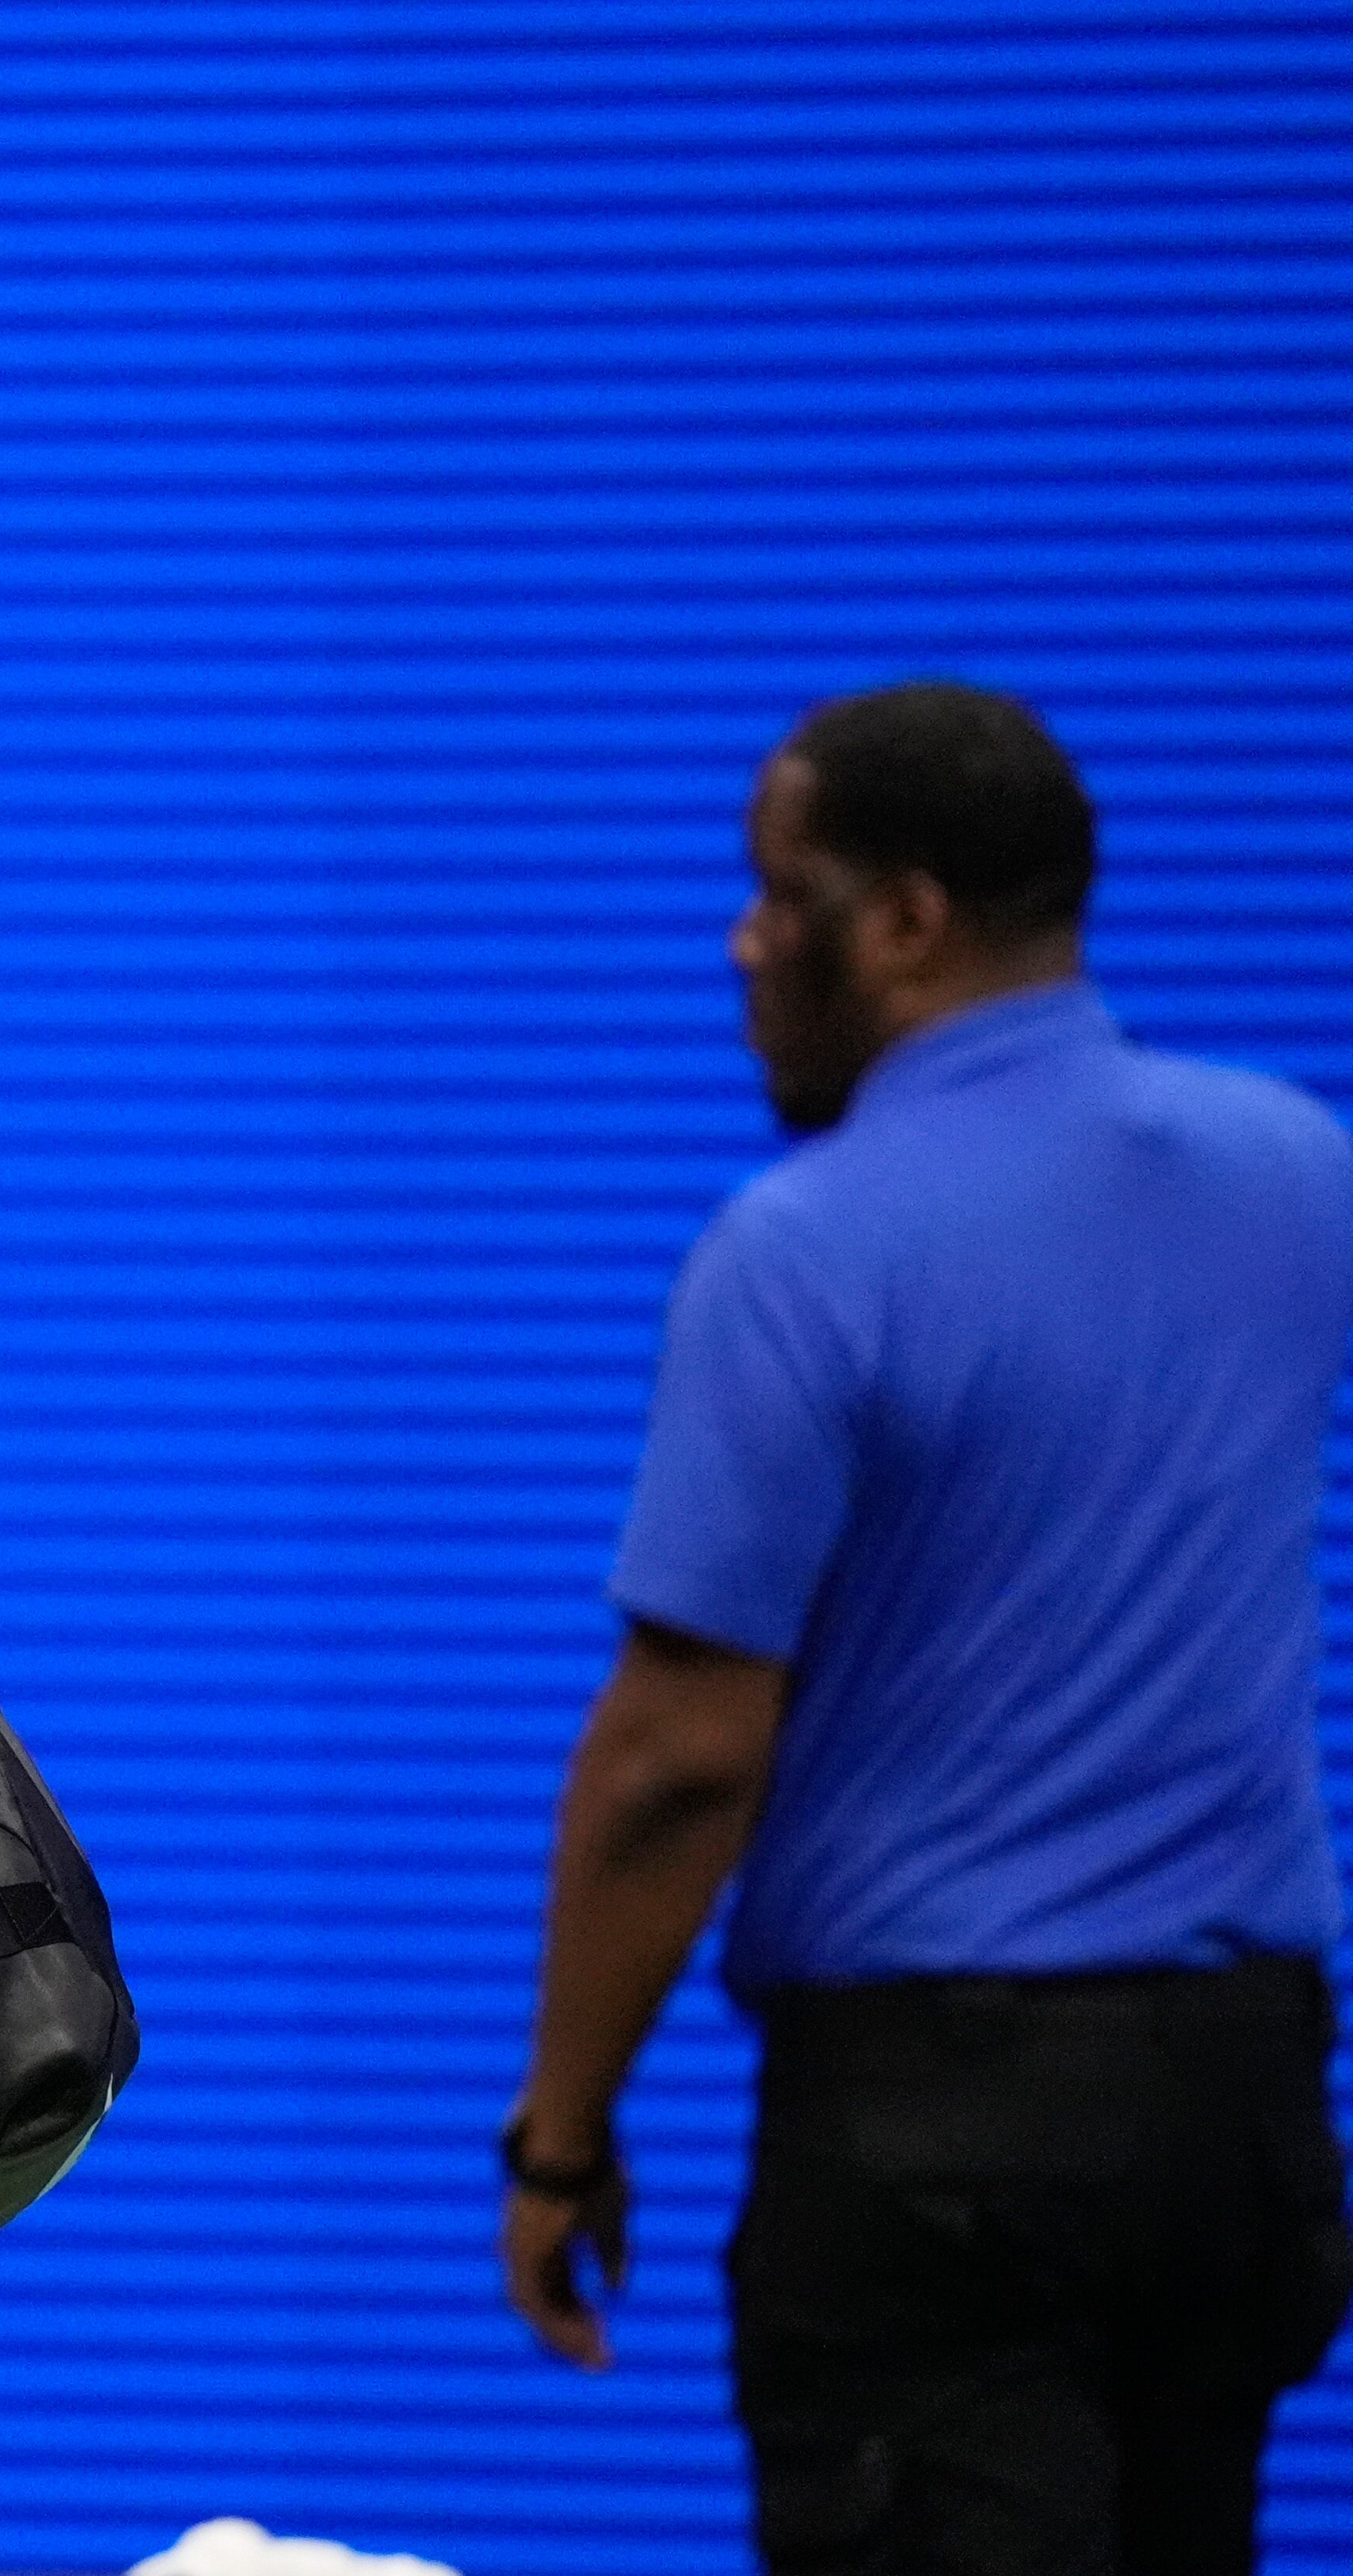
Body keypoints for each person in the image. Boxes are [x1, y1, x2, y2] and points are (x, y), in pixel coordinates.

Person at [497, 680, 1353, 2573]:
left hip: (946, 2152)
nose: (741, 943)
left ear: (904, 923)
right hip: (1243, 2110)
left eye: (776, 896)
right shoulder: (1301, 1171)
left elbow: (680, 1761)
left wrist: (562, 2128)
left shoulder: (805, 1254)